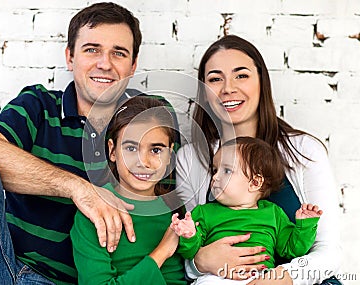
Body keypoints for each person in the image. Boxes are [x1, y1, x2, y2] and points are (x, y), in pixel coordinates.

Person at [0, 3, 177, 284]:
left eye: (118, 53)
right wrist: (77, 188)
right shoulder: (40, 105)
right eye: (92, 49)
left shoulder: (152, 120)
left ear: (133, 65)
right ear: (70, 57)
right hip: (0, 265)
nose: (105, 63)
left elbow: (168, 210)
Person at [175, 35, 342, 285]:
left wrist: (283, 277)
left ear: (262, 82)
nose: (228, 88)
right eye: (215, 79)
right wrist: (200, 262)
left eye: (241, 75)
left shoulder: (304, 151)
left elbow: (330, 252)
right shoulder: (191, 158)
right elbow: (188, 245)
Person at [172, 137, 323, 284]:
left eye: (227, 171)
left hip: (260, 278)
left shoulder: (273, 213)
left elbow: (291, 249)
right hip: (216, 277)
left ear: (255, 183)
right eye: (215, 170)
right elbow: (190, 252)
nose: (215, 177)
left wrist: (305, 226)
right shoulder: (204, 212)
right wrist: (189, 235)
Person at [71, 95, 186, 285]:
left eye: (156, 150)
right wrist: (162, 252)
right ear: (112, 151)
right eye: (131, 148)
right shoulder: (94, 212)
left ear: (169, 156)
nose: (143, 162)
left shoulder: (172, 211)